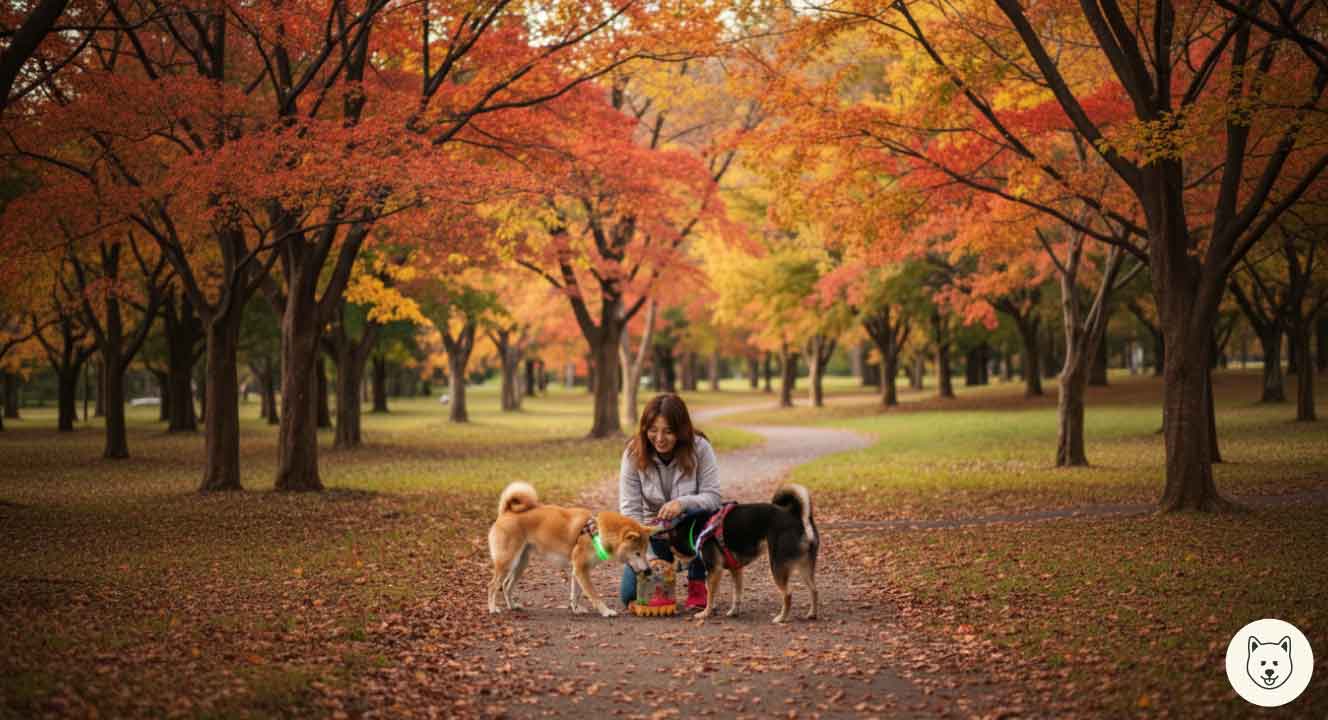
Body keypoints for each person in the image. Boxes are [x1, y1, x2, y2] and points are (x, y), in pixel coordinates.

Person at [618, 393, 721, 611]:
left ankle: (697, 580)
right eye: (653, 430)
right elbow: (630, 510)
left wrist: (682, 503)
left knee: (706, 516)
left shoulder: (700, 448)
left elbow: (713, 498)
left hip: (690, 530)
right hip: (652, 534)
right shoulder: (633, 453)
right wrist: (648, 557)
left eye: (668, 431)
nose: (659, 438)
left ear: (681, 430)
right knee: (629, 595)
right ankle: (661, 562)